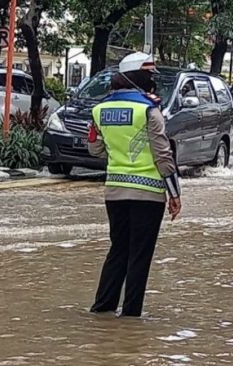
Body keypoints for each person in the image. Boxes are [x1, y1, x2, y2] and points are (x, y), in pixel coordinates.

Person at [88, 52, 182, 317]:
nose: (152, 80)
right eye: (149, 75)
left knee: (118, 249)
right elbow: (163, 155)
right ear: (140, 78)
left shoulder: (99, 109)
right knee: (139, 255)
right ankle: (130, 316)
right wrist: (174, 193)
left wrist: (120, 154)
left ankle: (102, 308)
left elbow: (94, 149)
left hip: (114, 191)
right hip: (149, 193)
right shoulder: (149, 109)